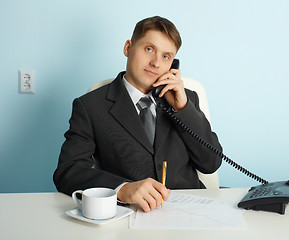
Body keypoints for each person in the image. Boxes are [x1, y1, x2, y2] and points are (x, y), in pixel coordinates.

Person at [53, 16, 222, 213]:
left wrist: (183, 108)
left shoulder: (186, 99)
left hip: (190, 212)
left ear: (173, 65)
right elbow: (68, 171)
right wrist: (122, 189)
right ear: (128, 48)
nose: (156, 63)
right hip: (130, 213)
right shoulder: (90, 106)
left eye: (166, 57)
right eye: (149, 49)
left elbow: (211, 163)